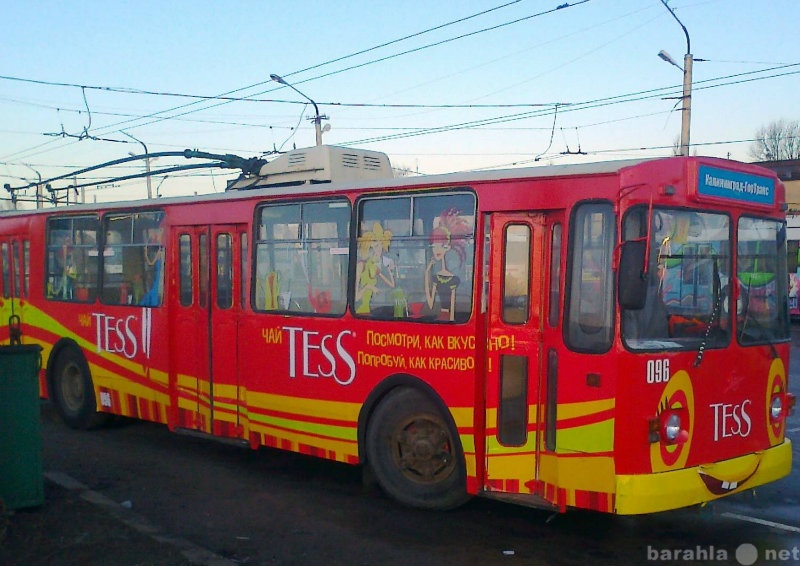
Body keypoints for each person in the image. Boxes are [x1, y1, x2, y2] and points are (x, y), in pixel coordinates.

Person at [425, 209, 470, 321]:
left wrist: (451, 321)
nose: (437, 250)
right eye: (434, 246)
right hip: (440, 319)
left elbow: (453, 307)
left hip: (447, 321)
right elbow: (430, 304)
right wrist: (427, 272)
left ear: (448, 247)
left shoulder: (454, 280)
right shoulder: (436, 278)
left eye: (441, 246)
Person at [140, 227, 164, 307]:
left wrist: (146, 251)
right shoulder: (159, 253)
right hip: (157, 275)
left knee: (153, 291)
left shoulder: (159, 253)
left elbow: (150, 262)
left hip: (158, 276)